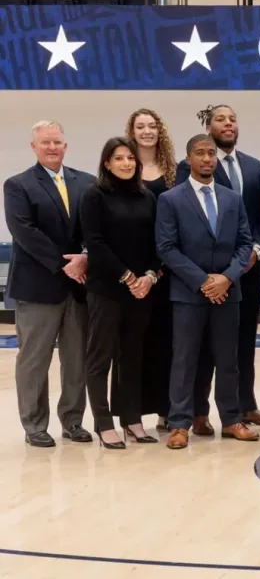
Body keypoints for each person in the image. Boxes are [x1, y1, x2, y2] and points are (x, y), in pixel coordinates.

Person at [156, 134, 259, 450]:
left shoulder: (231, 198)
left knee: (229, 360)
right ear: (188, 159)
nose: (206, 159)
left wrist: (227, 278)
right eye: (200, 153)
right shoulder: (171, 199)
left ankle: (231, 420)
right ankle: (179, 424)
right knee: (185, 360)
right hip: (189, 293)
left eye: (211, 153)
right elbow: (166, 248)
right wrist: (203, 281)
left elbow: (245, 244)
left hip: (228, 293)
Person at [183, 104, 260, 433]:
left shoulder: (251, 166)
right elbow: (186, 214)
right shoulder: (191, 166)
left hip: (247, 268)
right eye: (221, 119)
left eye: (233, 119)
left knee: (244, 340)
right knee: (206, 344)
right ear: (208, 127)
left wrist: (256, 249)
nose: (228, 124)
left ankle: (245, 405)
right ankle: (198, 412)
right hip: (209, 274)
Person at [4, 120, 93, 447]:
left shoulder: (87, 182)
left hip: (79, 287)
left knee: (77, 359)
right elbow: (25, 233)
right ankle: (34, 426)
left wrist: (85, 257)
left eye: (57, 142)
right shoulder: (17, 185)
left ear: (65, 146)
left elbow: (95, 229)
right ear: (34, 147)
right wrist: (63, 265)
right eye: (45, 142)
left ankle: (72, 420)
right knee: (34, 361)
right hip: (37, 288)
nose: (52, 147)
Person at [78, 138, 160, 448]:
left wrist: (149, 277)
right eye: (118, 158)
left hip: (141, 291)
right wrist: (127, 277)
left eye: (130, 158)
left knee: (132, 357)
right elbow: (95, 244)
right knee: (101, 357)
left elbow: (157, 243)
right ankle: (102, 422)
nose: (126, 163)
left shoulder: (147, 197)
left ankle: (131, 419)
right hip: (107, 289)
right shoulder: (94, 196)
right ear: (107, 163)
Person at [125, 108, 177, 432]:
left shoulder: (173, 171)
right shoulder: (123, 167)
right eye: (140, 126)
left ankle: (166, 410)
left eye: (152, 126)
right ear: (131, 131)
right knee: (133, 344)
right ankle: (132, 414)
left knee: (167, 343)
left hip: (166, 268)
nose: (146, 131)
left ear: (160, 131)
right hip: (131, 271)